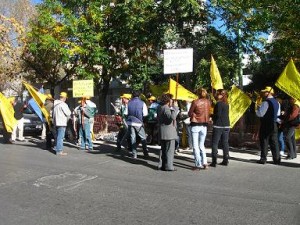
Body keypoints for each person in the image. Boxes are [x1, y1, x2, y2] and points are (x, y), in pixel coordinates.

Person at [256, 86, 281, 165]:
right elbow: (278, 114)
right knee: (274, 142)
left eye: (265, 92)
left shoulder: (265, 102)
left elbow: (260, 114)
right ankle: (277, 159)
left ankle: (263, 159)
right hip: (274, 124)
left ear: (269, 92)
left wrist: (257, 109)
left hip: (266, 124)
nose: (263, 93)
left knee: (264, 141)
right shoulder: (277, 102)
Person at [188, 88, 211, 170]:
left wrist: (193, 114)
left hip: (195, 124)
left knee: (195, 146)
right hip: (204, 125)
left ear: (198, 94)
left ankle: (198, 164)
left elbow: (189, 113)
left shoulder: (195, 102)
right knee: (202, 145)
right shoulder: (208, 102)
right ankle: (205, 163)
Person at [157, 93, 179, 171]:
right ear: (168, 100)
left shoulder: (159, 106)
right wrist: (175, 108)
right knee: (169, 150)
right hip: (168, 132)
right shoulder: (166, 107)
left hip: (162, 131)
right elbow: (172, 117)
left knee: (163, 149)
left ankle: (162, 165)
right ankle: (169, 166)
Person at [210, 89, 230, 167]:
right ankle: (226, 160)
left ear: (221, 95)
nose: (216, 95)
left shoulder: (218, 104)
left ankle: (214, 161)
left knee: (215, 143)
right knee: (225, 143)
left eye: (217, 94)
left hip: (218, 125)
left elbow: (218, 115)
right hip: (227, 125)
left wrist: (210, 115)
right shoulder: (226, 104)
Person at [126, 89, 149, 159]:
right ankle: (145, 152)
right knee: (143, 138)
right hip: (139, 123)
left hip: (130, 122)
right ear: (139, 95)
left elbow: (126, 113)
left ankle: (134, 154)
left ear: (132, 95)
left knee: (133, 138)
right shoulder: (142, 103)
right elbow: (145, 114)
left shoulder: (129, 103)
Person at [52, 92, 71, 156]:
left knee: (57, 136)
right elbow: (68, 113)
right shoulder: (63, 104)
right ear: (65, 98)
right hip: (62, 123)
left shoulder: (55, 104)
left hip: (56, 122)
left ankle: (56, 147)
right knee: (60, 137)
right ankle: (59, 150)